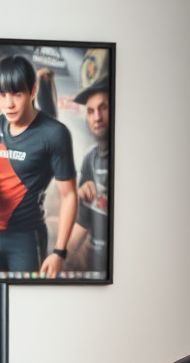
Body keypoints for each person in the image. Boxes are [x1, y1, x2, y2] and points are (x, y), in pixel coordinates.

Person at [0, 54, 77, 278]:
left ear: (33, 90)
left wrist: (59, 252)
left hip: (27, 237)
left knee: (28, 304)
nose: (9, 103)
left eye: (17, 94)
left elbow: (69, 196)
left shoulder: (55, 134)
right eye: (2, 94)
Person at [67, 77, 111, 276]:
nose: (97, 117)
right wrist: (60, 258)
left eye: (103, 108)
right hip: (94, 275)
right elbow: (82, 223)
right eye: (91, 111)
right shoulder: (89, 159)